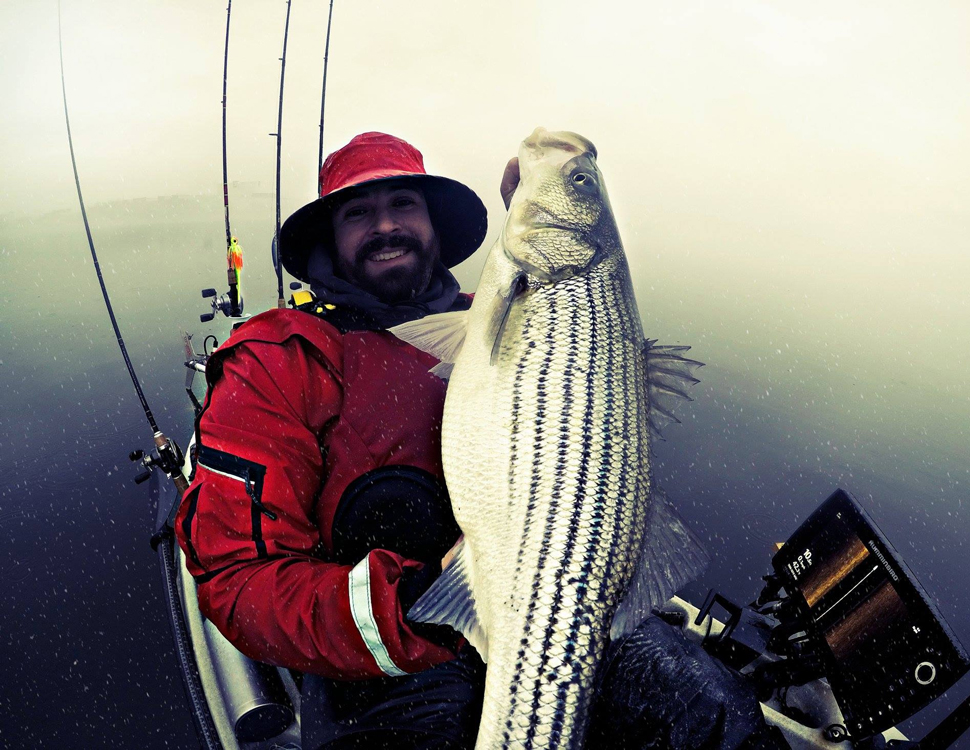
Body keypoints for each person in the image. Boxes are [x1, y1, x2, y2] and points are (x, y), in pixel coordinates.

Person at [175, 132, 786, 749]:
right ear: (329, 238)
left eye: (404, 203)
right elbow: (239, 580)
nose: (385, 226)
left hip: (562, 612)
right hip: (382, 663)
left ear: (435, 224)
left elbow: (594, 427)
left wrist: (535, 201)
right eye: (358, 212)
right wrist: (417, 602)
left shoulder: (514, 319)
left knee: (714, 714)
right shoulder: (278, 359)